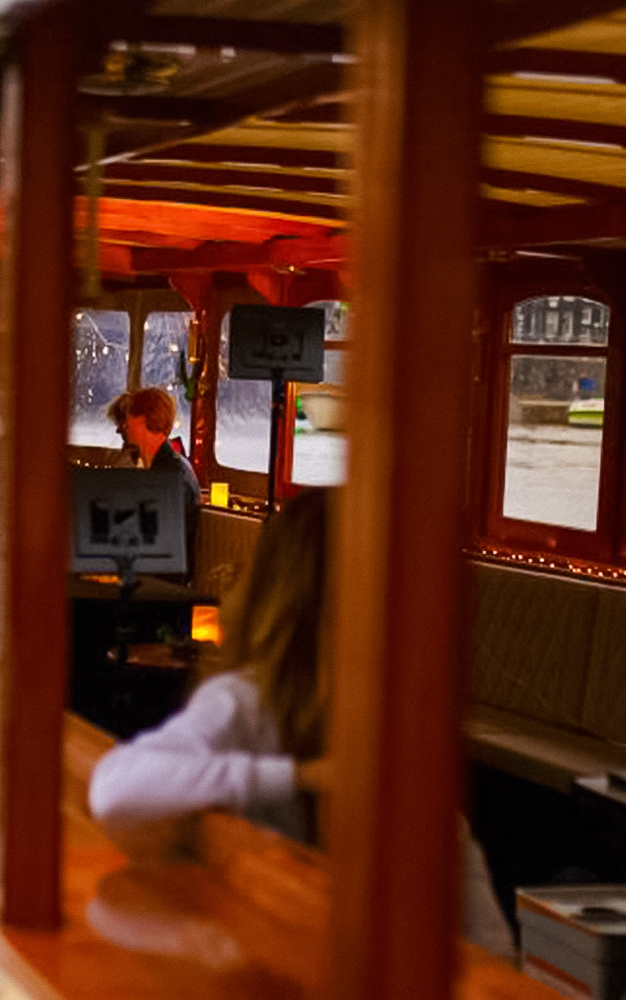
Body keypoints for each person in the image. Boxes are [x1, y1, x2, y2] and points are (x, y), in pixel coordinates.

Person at [89, 490, 515, 957]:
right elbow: (116, 789)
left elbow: (489, 944)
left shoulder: (396, 728)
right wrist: (301, 776)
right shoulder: (249, 705)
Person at [120, 387, 200, 569]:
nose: (124, 425)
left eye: (128, 417)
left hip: (161, 575)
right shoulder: (164, 466)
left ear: (141, 421)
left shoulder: (172, 475)